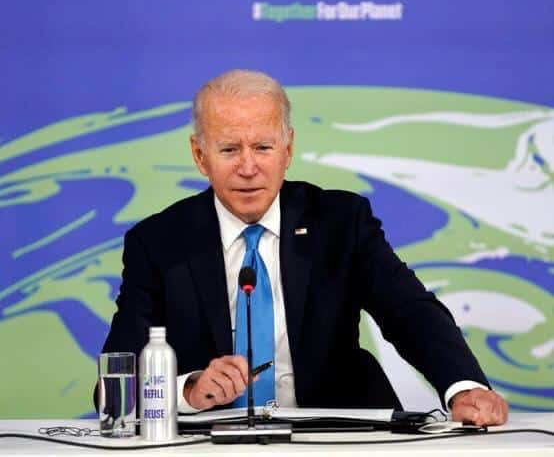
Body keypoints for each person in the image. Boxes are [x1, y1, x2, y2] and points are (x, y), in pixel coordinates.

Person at [98, 69, 508, 426]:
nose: (247, 167)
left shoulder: (341, 222)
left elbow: (410, 312)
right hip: (213, 444)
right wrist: (188, 391)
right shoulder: (159, 241)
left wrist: (463, 386)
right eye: (229, 149)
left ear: (288, 149)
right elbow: (113, 389)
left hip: (337, 436)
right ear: (199, 155)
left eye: (263, 147)